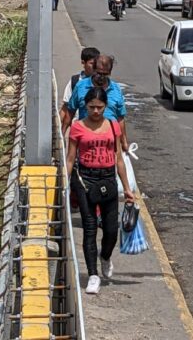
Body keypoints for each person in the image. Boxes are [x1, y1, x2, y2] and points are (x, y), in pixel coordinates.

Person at [67, 86, 134, 294]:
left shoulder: (113, 126)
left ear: (105, 106)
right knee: (89, 228)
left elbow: (118, 159)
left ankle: (105, 256)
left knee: (111, 229)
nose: (95, 112)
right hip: (85, 180)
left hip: (108, 179)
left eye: (100, 107)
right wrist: (64, 183)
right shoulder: (78, 127)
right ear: (85, 106)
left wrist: (126, 187)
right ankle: (93, 275)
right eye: (91, 107)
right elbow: (70, 158)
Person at [65, 55, 130, 151]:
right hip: (86, 143)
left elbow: (120, 118)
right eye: (99, 73)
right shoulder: (81, 86)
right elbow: (70, 112)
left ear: (110, 73)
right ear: (93, 69)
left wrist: (124, 142)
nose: (101, 77)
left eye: (105, 74)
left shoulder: (116, 89)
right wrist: (62, 134)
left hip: (110, 144)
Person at [60, 47, 101, 127]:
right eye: (92, 63)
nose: (95, 66)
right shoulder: (75, 81)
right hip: (78, 128)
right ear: (83, 62)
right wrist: (59, 132)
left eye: (97, 63)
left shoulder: (102, 83)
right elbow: (66, 107)